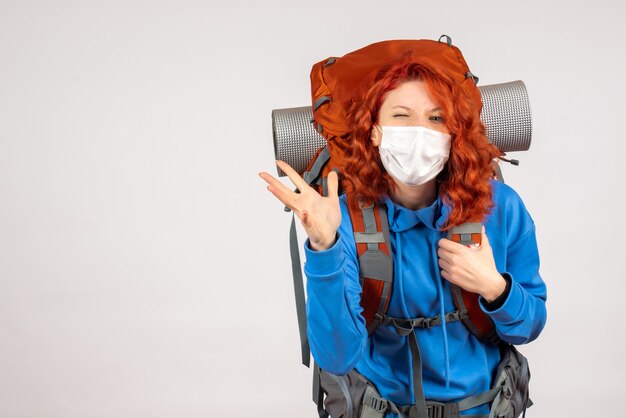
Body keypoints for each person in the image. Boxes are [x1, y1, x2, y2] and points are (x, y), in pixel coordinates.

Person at [259, 45, 547, 418]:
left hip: (485, 408)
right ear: (375, 131)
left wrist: (495, 287)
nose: (419, 132)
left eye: (436, 118)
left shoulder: (500, 206)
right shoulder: (342, 218)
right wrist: (324, 244)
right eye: (401, 115)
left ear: (453, 132)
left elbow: (529, 326)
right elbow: (337, 355)